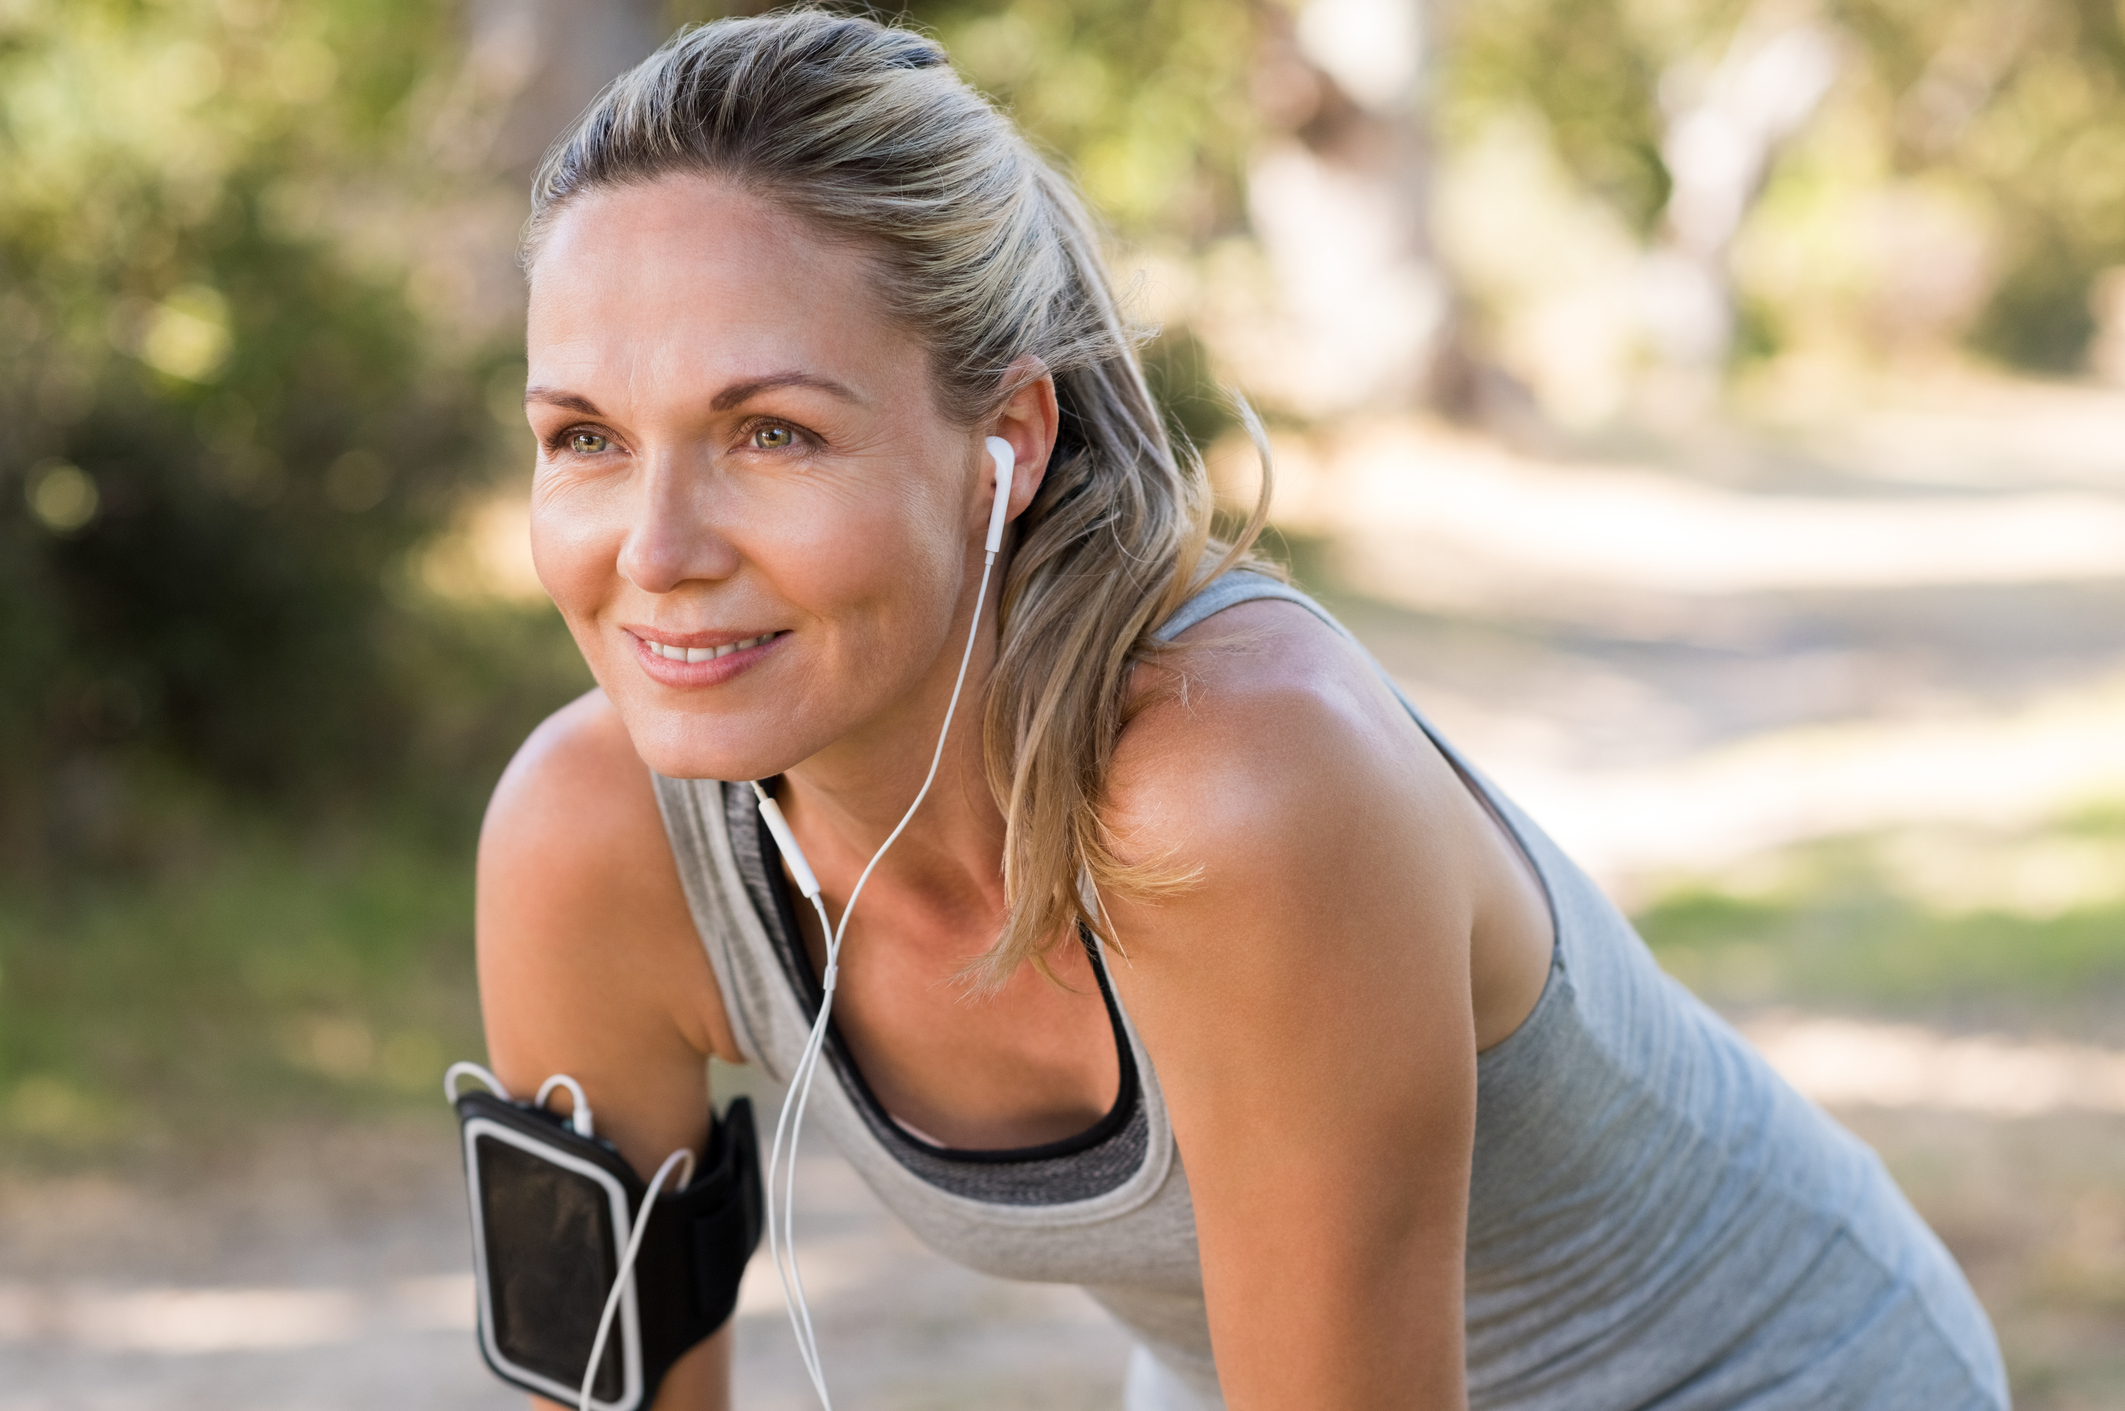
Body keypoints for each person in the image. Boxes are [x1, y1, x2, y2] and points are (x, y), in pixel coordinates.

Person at [475, 11, 2009, 1410]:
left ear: (1002, 440)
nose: (656, 553)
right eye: (588, 438)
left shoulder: (1232, 791)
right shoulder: (591, 842)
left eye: (771, 433)